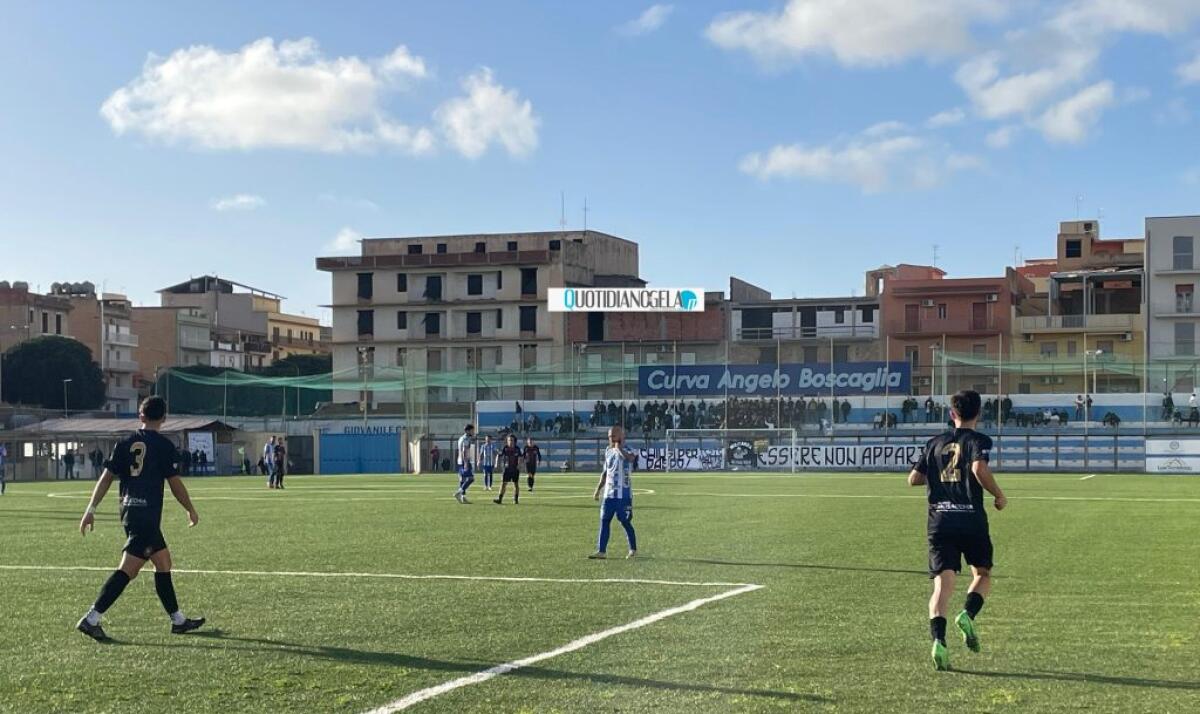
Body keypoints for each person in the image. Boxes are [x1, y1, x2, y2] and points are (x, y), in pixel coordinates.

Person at [75, 396, 205, 642]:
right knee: (129, 569)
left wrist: (91, 508)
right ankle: (91, 619)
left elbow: (105, 478)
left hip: (130, 511)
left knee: (163, 562)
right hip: (146, 514)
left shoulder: (125, 443)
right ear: (164, 419)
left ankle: (178, 620)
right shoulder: (164, 446)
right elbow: (175, 484)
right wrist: (190, 508)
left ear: (140, 415)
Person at [907, 389, 1007, 671]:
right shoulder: (978, 440)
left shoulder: (934, 443)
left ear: (952, 414)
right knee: (982, 573)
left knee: (942, 584)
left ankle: (938, 641)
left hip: (939, 521)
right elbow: (978, 469)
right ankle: (967, 614)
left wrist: (935, 474)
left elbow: (913, 479)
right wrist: (999, 495)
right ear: (979, 414)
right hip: (970, 519)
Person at [589, 425, 638, 560]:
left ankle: (633, 549)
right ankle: (601, 551)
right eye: (609, 437)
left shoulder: (630, 449)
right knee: (604, 521)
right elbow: (605, 472)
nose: (610, 439)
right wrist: (598, 490)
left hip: (624, 496)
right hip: (609, 495)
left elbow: (630, 459)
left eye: (613, 436)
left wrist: (619, 448)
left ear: (621, 436)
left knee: (625, 522)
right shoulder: (608, 451)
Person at [493, 435, 522, 505]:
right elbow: (499, 455)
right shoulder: (505, 448)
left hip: (515, 469)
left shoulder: (517, 449)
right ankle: (500, 499)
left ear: (514, 441)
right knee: (503, 484)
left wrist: (519, 465)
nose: (510, 442)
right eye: (509, 440)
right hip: (506, 469)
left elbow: (520, 457)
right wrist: (496, 464)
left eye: (511, 440)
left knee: (516, 484)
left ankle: (516, 499)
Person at [454, 424, 476, 504]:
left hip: (459, 461)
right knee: (471, 478)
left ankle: (462, 497)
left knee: (462, 479)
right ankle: (459, 492)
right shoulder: (466, 439)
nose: (473, 432)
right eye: (472, 430)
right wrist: (466, 462)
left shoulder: (460, 438)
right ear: (468, 431)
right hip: (464, 461)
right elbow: (464, 450)